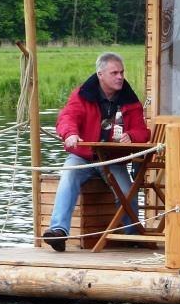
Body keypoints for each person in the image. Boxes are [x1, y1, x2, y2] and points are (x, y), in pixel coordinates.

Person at [42, 52, 150, 252]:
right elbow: (67, 118)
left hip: (113, 160)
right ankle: (58, 231)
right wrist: (70, 134)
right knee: (68, 175)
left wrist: (131, 136)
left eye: (122, 72)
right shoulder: (82, 95)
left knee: (127, 191)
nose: (120, 77)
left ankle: (132, 234)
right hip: (83, 156)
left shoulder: (130, 99)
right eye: (114, 73)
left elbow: (142, 131)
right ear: (100, 74)